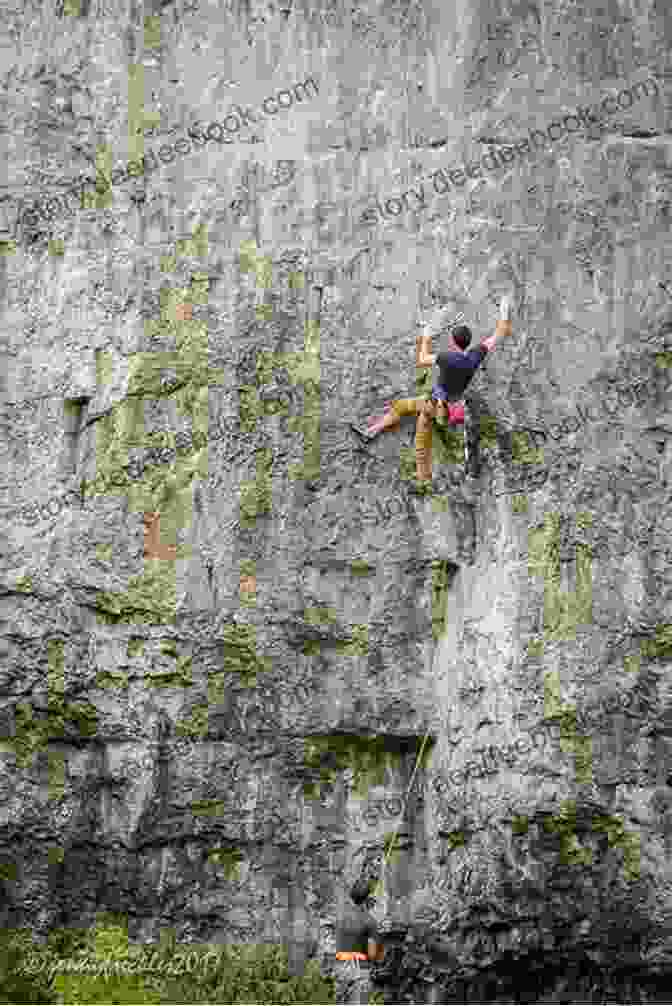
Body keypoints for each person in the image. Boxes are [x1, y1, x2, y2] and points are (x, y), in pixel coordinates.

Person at [350, 297, 514, 487]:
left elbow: (422, 359)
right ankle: (373, 433)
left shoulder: (447, 358)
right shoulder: (474, 356)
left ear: (453, 342)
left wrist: (426, 335)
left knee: (415, 426)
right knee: (409, 416)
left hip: (434, 405)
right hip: (451, 405)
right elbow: (499, 333)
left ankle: (421, 477)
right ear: (468, 343)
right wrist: (504, 310)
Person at [334, 878, 385, 1004]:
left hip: (341, 969)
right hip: (359, 970)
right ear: (368, 899)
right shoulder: (369, 921)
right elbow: (372, 954)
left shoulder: (341, 917)